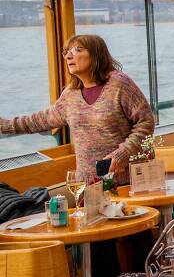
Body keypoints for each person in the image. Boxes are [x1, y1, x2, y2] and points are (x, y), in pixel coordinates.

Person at [1, 34, 154, 181]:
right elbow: (42, 119)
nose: (68, 56)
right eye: (66, 52)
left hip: (128, 180)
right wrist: (4, 126)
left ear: (96, 55)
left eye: (77, 50)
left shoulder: (120, 84)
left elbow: (146, 122)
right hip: (88, 185)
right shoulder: (70, 94)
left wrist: (123, 153)